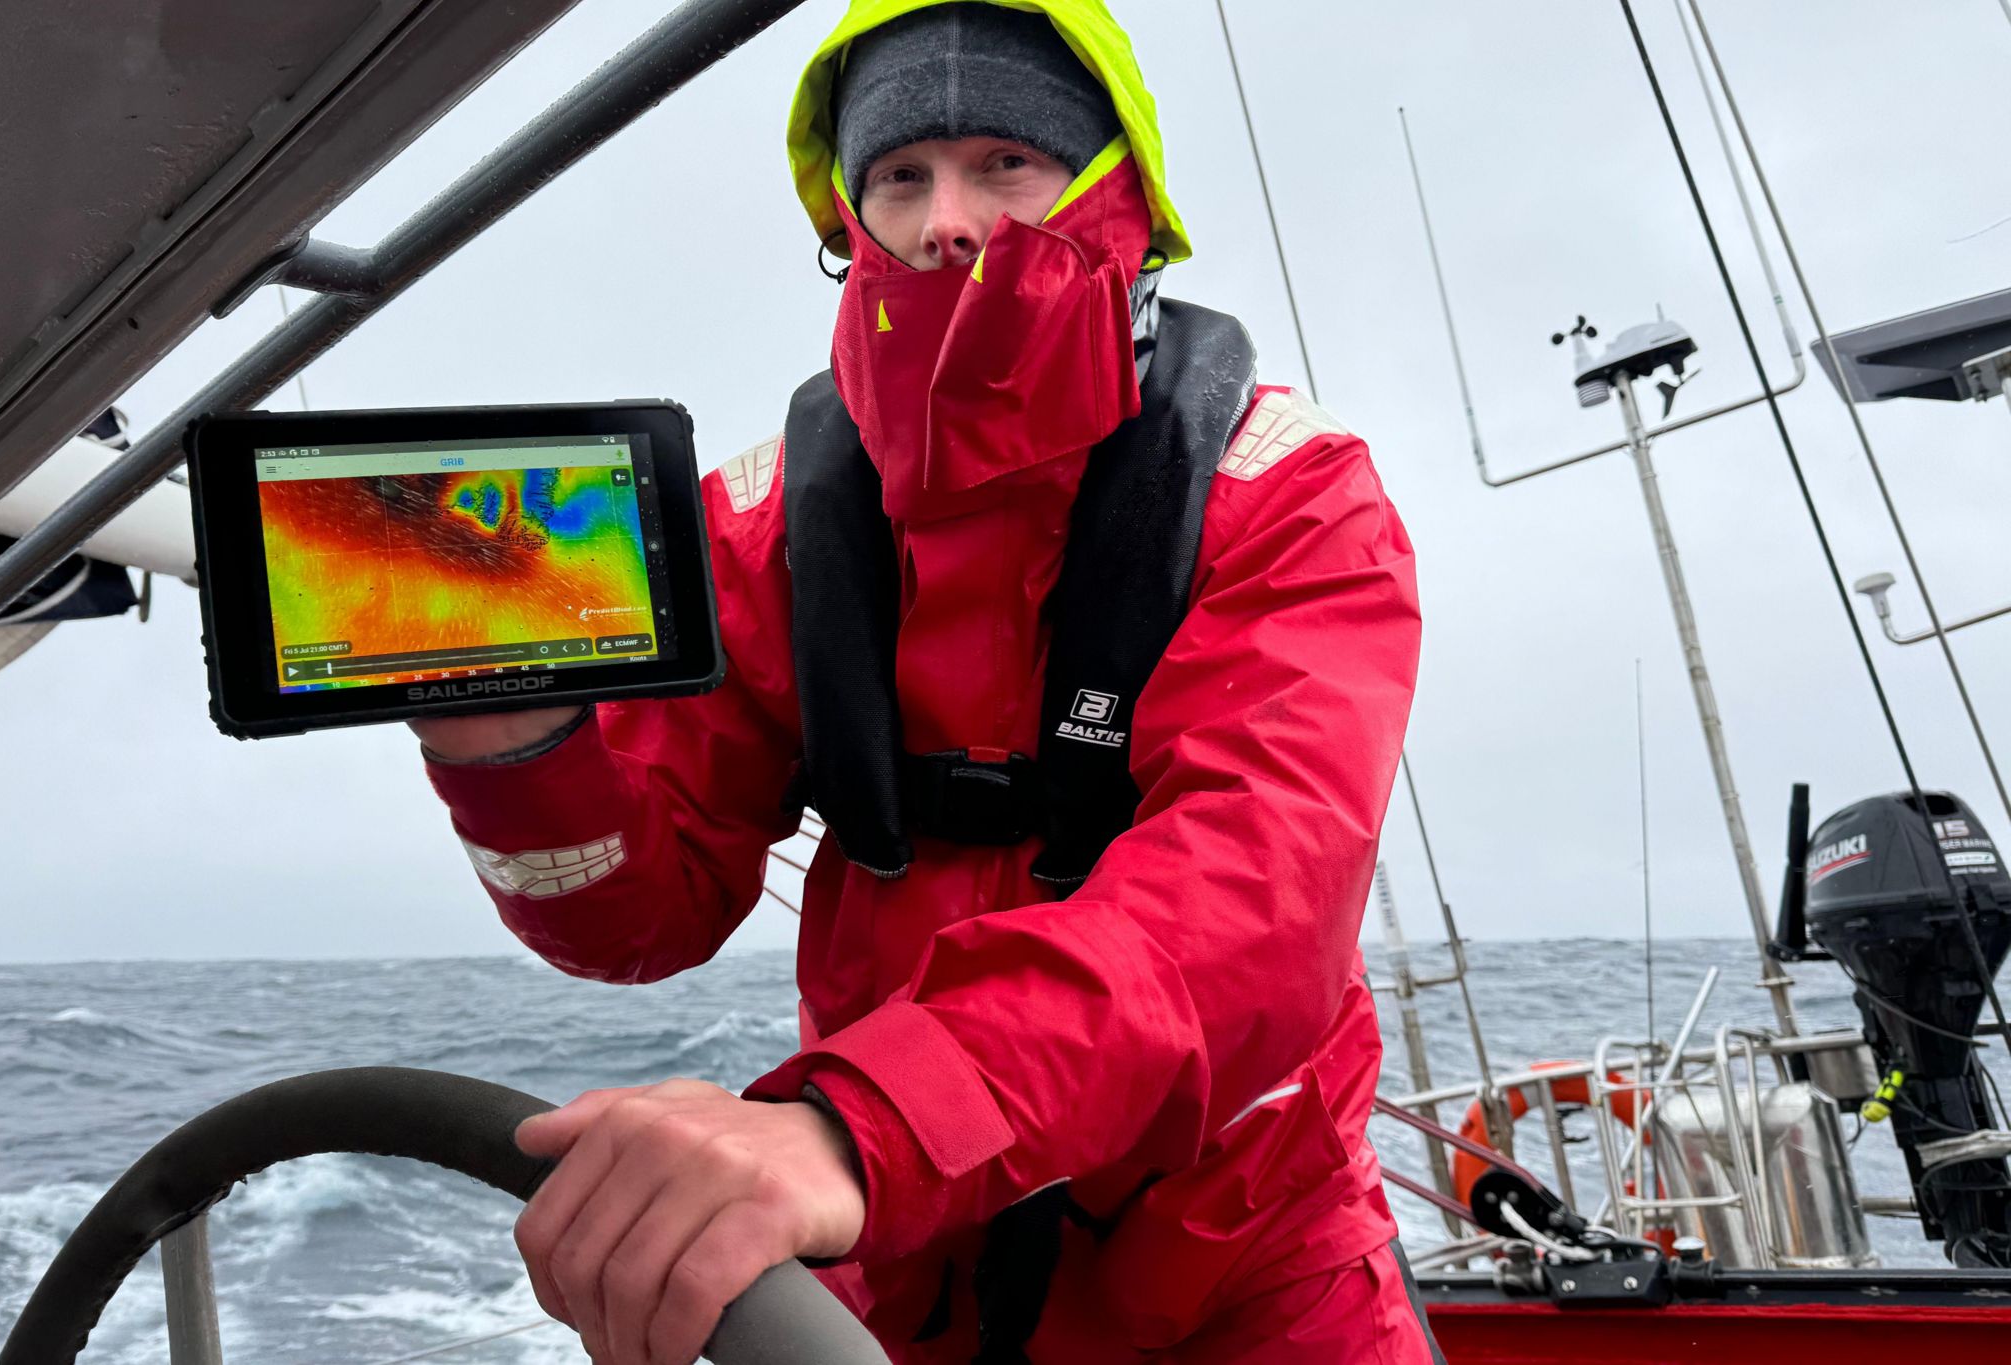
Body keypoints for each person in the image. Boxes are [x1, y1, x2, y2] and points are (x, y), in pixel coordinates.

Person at [412, 2, 1431, 1361]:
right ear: (849, 216)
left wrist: (857, 1124)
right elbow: (636, 914)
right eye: (902, 174)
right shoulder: (765, 523)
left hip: (1240, 1273)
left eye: (1006, 161)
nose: (948, 220)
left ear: (1107, 189)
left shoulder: (1296, 497)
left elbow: (1248, 909)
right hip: (901, 1277)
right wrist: (514, 744)